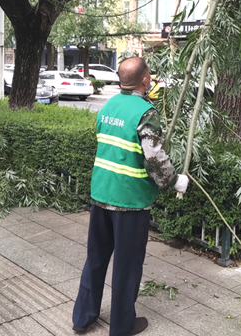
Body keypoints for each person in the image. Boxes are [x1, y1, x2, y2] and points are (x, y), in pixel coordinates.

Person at [72, 57, 188, 336]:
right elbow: (154, 159)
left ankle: (82, 317)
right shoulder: (146, 113)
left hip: (101, 194)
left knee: (96, 258)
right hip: (130, 202)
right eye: (149, 74)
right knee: (127, 266)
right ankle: (122, 326)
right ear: (145, 80)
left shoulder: (108, 105)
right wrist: (175, 182)